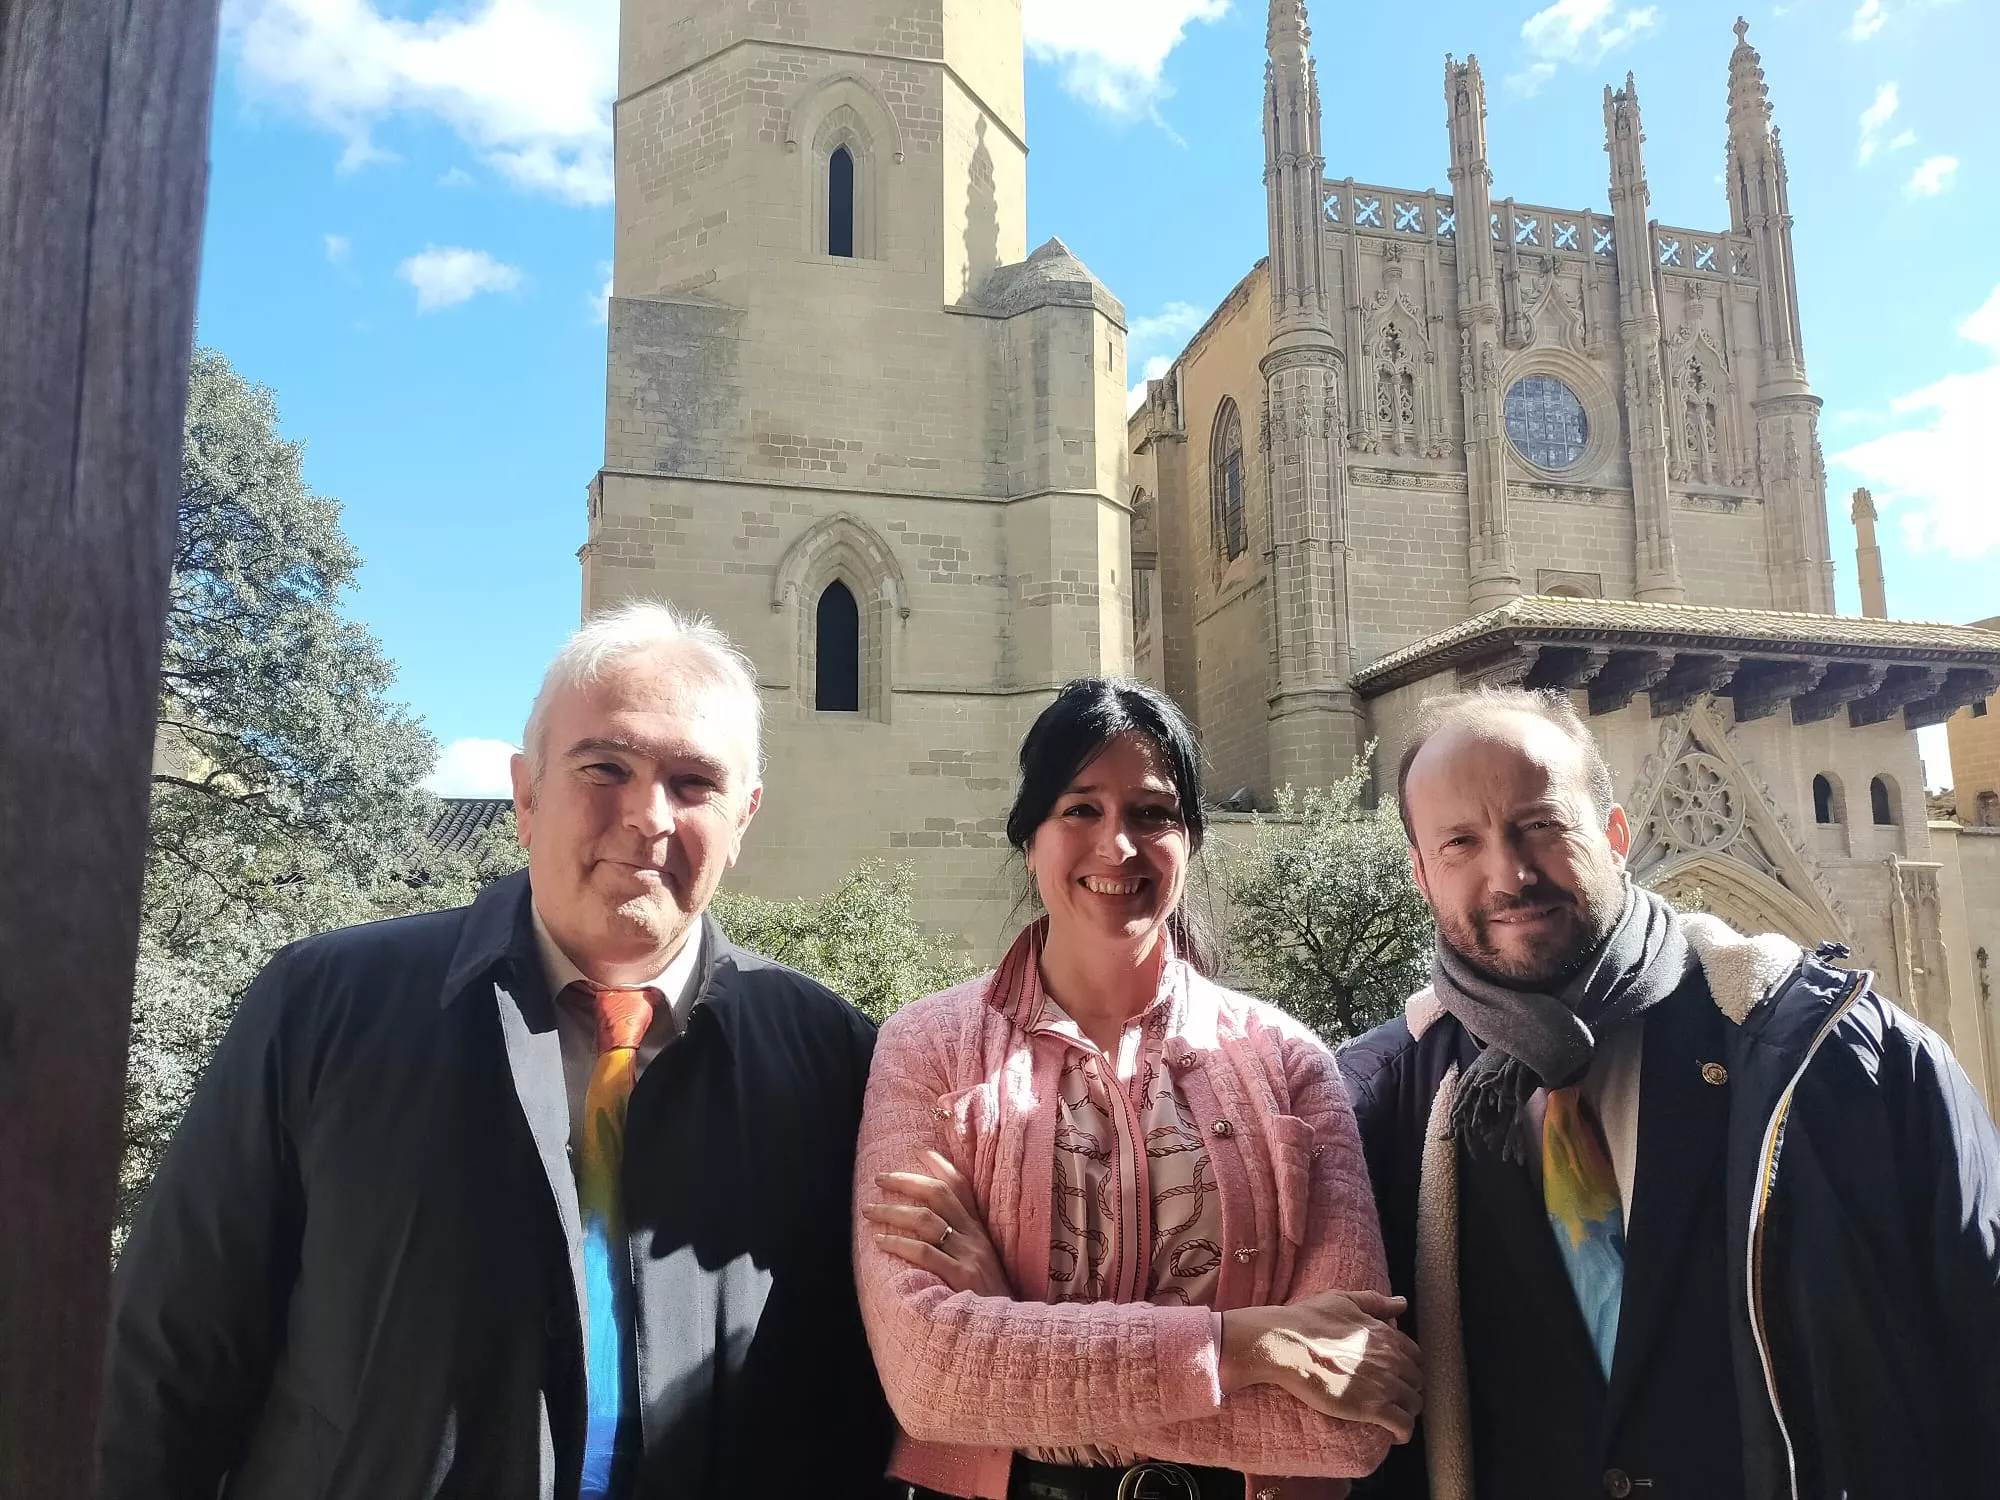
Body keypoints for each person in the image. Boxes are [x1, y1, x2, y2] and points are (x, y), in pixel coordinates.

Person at [100, 602, 894, 1500]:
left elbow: (856, 1400)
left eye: (692, 783)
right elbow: (165, 1361)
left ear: (742, 818)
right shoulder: (326, 1006)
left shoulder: (835, 1060)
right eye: (605, 766)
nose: (648, 815)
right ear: (526, 795)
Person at [1340, 686, 2000, 1500]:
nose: (1510, 873)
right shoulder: (1377, 1110)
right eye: (1461, 843)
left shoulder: (1851, 1058)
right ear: (1420, 876)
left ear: (1616, 835)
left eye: (1541, 824)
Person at [855, 677, 1422, 1500]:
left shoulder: (1289, 1060)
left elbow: (1350, 1422)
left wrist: (1015, 1342)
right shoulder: (928, 1049)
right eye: (1080, 809)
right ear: (1030, 840)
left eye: (1152, 813)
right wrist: (1254, 1347)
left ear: (1191, 841)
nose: (1117, 844)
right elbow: (932, 1378)